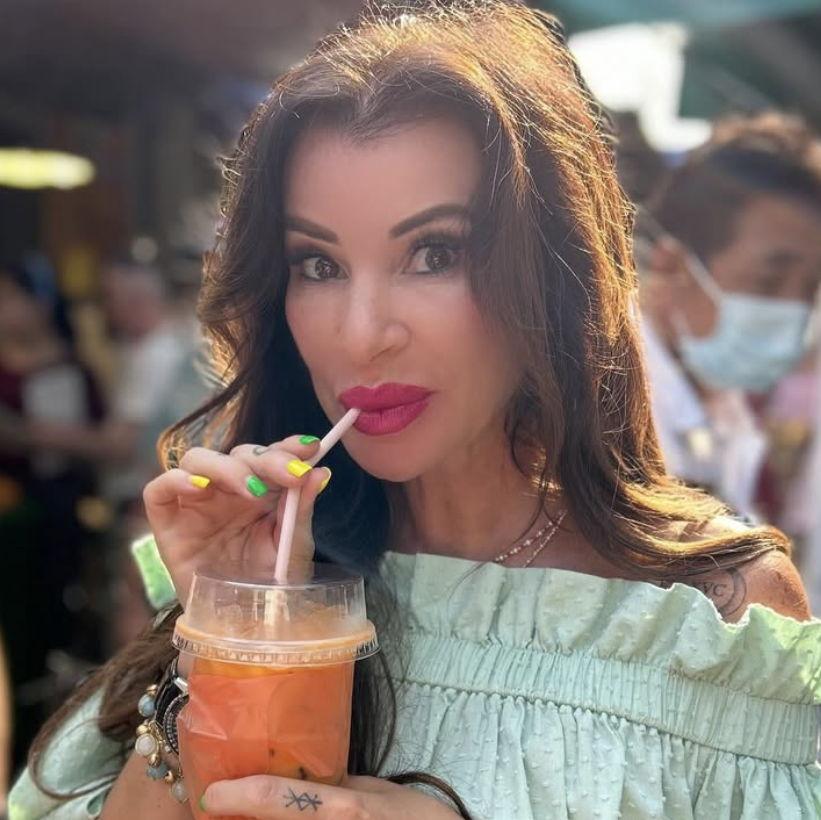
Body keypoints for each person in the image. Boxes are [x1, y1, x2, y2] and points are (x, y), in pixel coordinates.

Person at [10, 4, 819, 819]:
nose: (362, 335)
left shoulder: (711, 617)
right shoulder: (253, 552)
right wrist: (230, 637)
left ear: (551, 274)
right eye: (317, 264)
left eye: (434, 253)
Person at [637, 113, 821, 519]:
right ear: (673, 267)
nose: (794, 312)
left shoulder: (725, 410)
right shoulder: (600, 413)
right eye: (769, 282)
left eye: (810, 290)